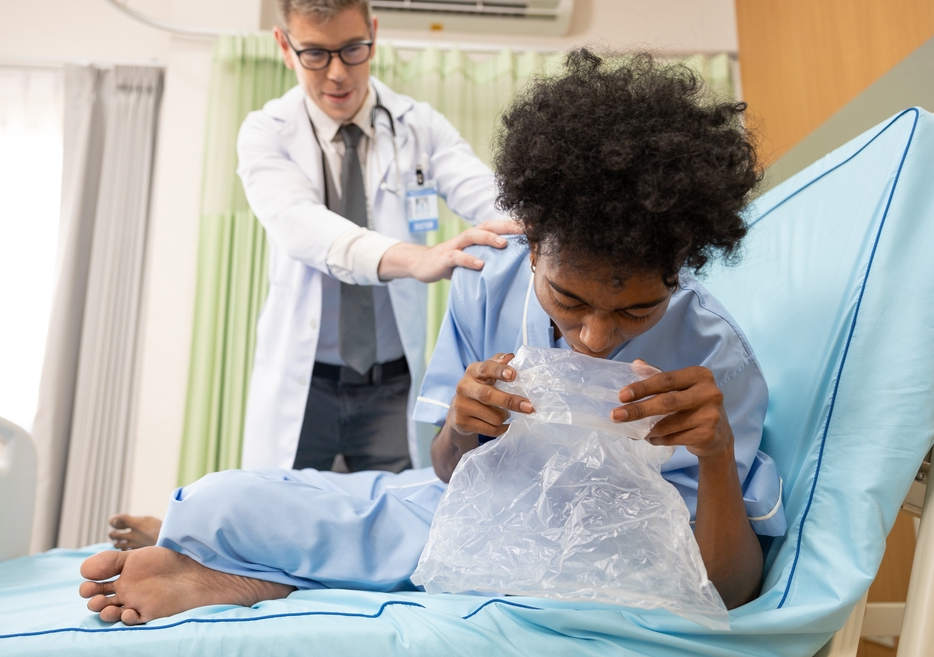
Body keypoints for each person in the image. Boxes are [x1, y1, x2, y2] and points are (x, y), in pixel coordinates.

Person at [80, 50, 787, 624]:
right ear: (532, 241)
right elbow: (448, 470)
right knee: (216, 500)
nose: (595, 337)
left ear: (679, 266)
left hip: (612, 554)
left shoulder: (714, 354)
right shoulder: (489, 280)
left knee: (471, 556)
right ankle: (238, 562)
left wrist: (717, 453)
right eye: (567, 299)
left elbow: (728, 589)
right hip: (470, 510)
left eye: (636, 311)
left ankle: (260, 576)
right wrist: (461, 425)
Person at [108, 0, 516, 550]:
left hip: (391, 383)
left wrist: (552, 223)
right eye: (316, 54)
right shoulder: (266, 133)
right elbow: (304, 227)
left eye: (352, 49)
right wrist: (414, 258)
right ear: (284, 46)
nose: (338, 72)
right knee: (273, 520)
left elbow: (488, 195)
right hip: (309, 384)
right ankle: (182, 541)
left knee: (405, 521)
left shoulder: (418, 126)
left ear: (373, 33)